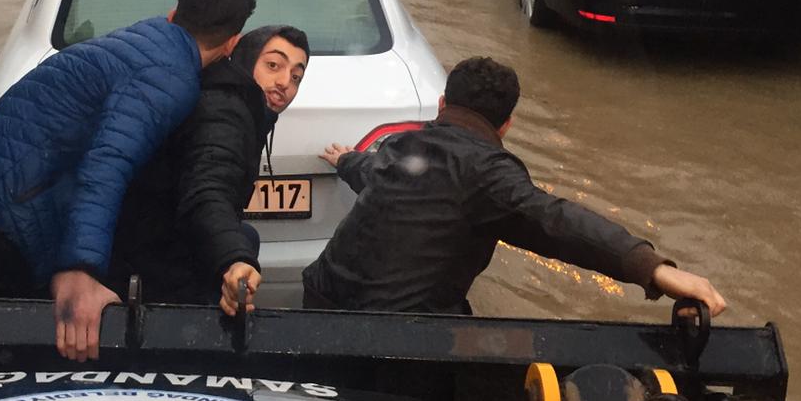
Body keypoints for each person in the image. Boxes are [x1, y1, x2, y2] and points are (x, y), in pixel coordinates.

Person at [0, 0, 257, 362]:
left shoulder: (143, 37)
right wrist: (79, 271)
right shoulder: (169, 79)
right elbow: (109, 162)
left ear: (172, 14)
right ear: (232, 42)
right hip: (10, 206)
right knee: (57, 342)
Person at [302, 56, 726, 318]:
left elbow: (371, 170)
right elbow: (555, 220)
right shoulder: (488, 171)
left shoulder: (399, 145)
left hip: (322, 298)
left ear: (442, 105)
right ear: (506, 124)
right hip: (397, 334)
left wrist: (344, 161)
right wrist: (653, 268)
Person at [110, 24, 310, 316]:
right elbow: (208, 190)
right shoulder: (224, 111)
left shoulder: (244, 105)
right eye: (273, 65)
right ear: (244, 56)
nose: (284, 83)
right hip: (150, 257)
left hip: (170, 234)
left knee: (248, 235)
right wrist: (234, 258)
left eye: (296, 77)